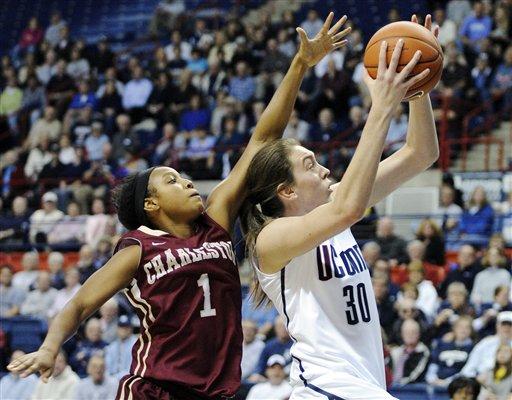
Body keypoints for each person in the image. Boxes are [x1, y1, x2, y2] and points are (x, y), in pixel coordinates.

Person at [8, 13, 350, 400]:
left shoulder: (216, 218)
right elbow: (81, 302)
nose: (186, 181)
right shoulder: (140, 247)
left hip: (215, 391)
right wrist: (50, 348)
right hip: (155, 390)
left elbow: (263, 139)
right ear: (151, 204)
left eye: (183, 176)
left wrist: (300, 64)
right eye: (172, 180)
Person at [240, 14, 438, 399]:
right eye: (310, 165)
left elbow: (420, 153)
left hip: (360, 386)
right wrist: (380, 107)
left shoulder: (333, 205)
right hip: (324, 388)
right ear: (287, 191)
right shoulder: (271, 239)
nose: (326, 168)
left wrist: (416, 88)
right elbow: (348, 210)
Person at [461, 311, 512, 378]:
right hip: (481, 381)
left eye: (510, 325)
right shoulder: (486, 343)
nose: (506, 328)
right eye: (504, 324)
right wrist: (477, 377)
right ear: (497, 326)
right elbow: (468, 369)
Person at [104, 315, 137, 380]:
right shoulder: (112, 346)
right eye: (121, 327)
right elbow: (107, 367)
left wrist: (114, 378)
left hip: (129, 380)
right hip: (111, 381)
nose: (123, 330)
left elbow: (133, 369)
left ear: (131, 329)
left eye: (126, 327)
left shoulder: (136, 345)